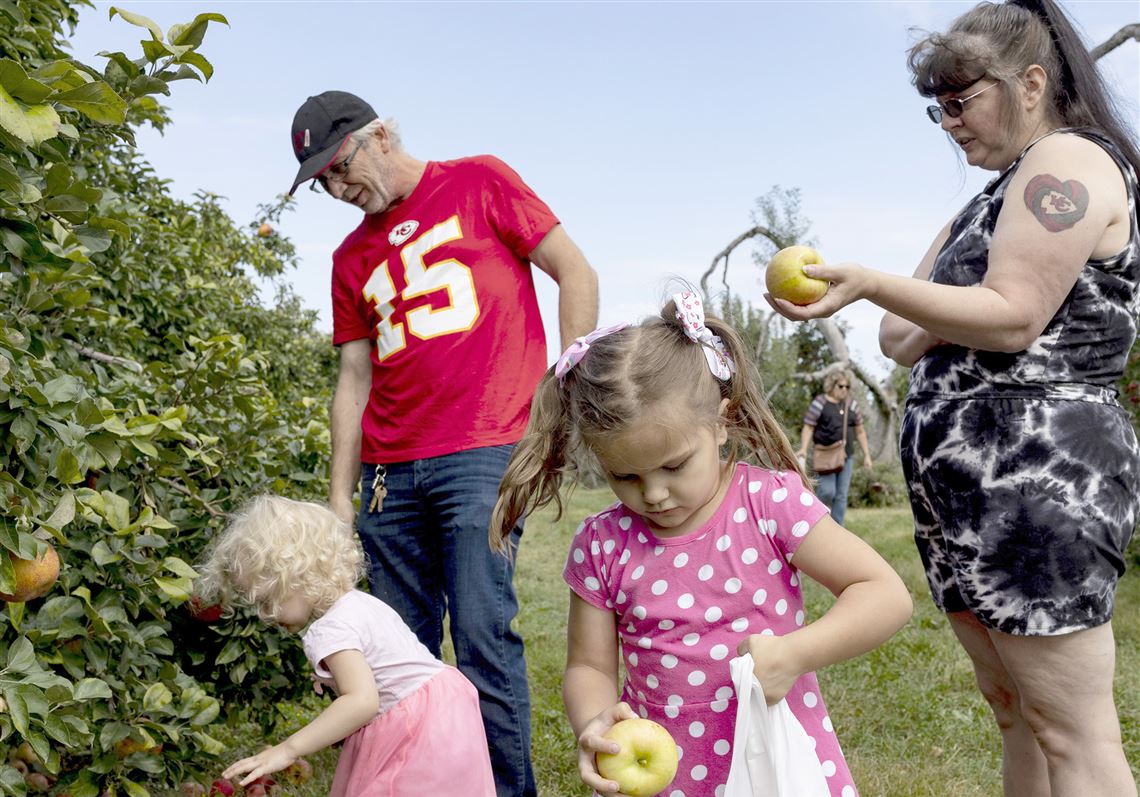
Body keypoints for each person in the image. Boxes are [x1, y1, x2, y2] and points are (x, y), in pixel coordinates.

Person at [765, 1, 1140, 794]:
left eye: (960, 100)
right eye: (937, 107)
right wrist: (931, 306)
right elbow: (896, 338)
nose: (948, 122)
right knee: (1015, 712)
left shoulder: (1066, 164)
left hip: (1041, 488)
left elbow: (1012, 315)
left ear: (1031, 83)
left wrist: (875, 282)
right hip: (967, 499)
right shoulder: (984, 202)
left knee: (1074, 735)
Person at [287, 90, 599, 797]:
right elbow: (354, 377)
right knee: (401, 654)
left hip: (483, 448)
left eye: (339, 167)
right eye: (323, 182)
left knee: (484, 635)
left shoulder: (480, 180)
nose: (337, 188)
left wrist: (564, 395)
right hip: (389, 477)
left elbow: (575, 270)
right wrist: (341, 492)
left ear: (381, 136)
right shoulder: (348, 258)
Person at [490, 291, 912, 797]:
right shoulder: (602, 544)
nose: (654, 493)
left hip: (778, 765)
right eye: (625, 475)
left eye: (674, 466)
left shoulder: (766, 503)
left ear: (720, 423)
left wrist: (797, 653)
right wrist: (595, 720)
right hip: (666, 777)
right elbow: (589, 666)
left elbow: (884, 593)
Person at [196, 495, 495, 795]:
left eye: (265, 600)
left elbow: (362, 701)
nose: (263, 615)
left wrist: (288, 749)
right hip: (444, 711)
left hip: (415, 730)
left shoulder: (331, 629)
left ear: (296, 576)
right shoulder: (361, 604)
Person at [796, 369, 874, 525]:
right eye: (841, 386)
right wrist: (804, 448)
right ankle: (815, 523)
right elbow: (809, 426)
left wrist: (867, 455)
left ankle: (838, 527)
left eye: (847, 387)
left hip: (846, 456)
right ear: (831, 385)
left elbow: (860, 431)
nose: (844, 389)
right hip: (825, 455)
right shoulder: (820, 402)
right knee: (826, 491)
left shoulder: (852, 405)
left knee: (841, 495)